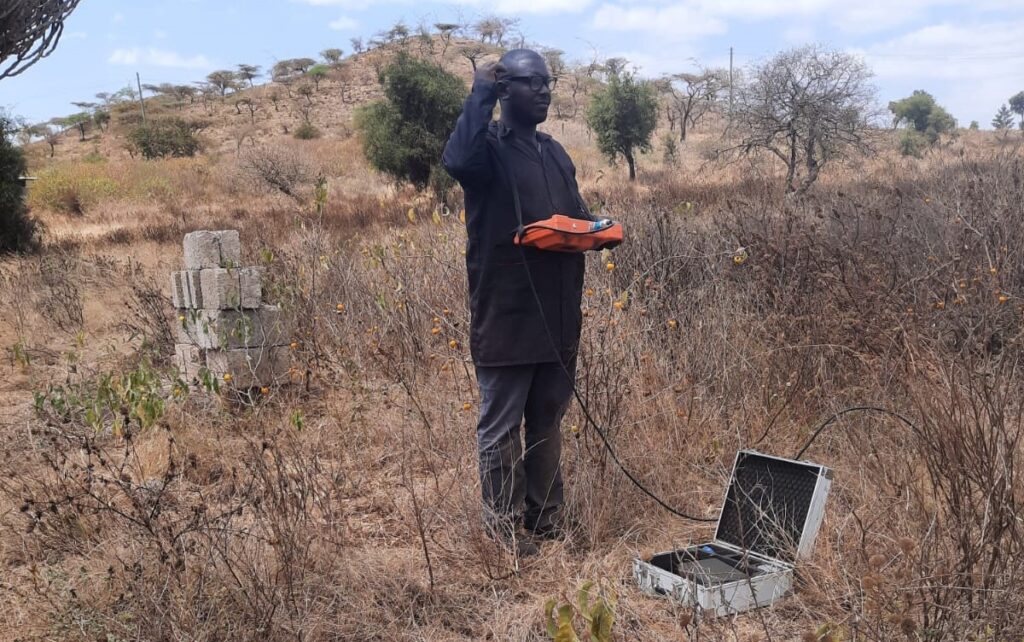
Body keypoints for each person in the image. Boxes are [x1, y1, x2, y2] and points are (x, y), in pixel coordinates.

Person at [442, 49, 594, 556]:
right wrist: (478, 90)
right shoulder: (485, 149)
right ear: (505, 90)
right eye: (532, 82)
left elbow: (574, 215)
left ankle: (546, 519)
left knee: (547, 417)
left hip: (557, 315)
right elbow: (456, 161)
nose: (545, 90)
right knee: (502, 426)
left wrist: (596, 231)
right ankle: (505, 533)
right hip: (506, 315)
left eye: (548, 81)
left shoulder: (554, 153)